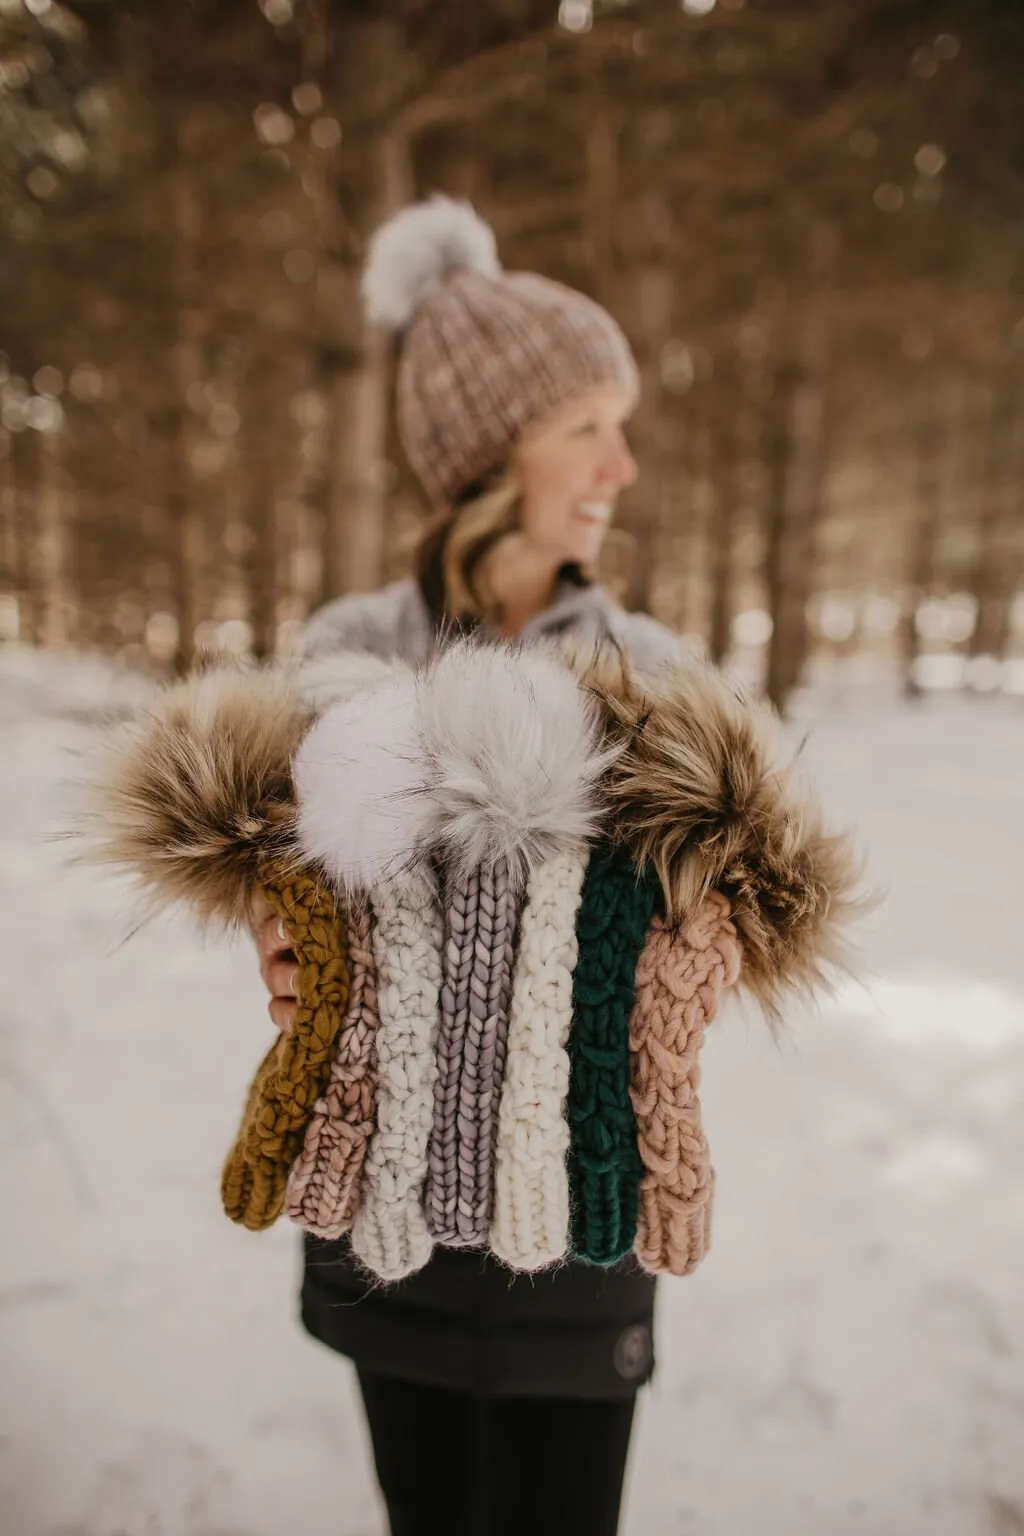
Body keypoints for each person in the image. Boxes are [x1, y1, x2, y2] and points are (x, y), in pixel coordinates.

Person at [255, 197, 686, 1536]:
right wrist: (269, 925)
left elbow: (730, 905)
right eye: (587, 428)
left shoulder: (653, 678)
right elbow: (271, 874)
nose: (622, 464)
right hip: (387, 1231)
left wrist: (695, 947)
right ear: (497, 451)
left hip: (577, 1219)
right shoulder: (346, 651)